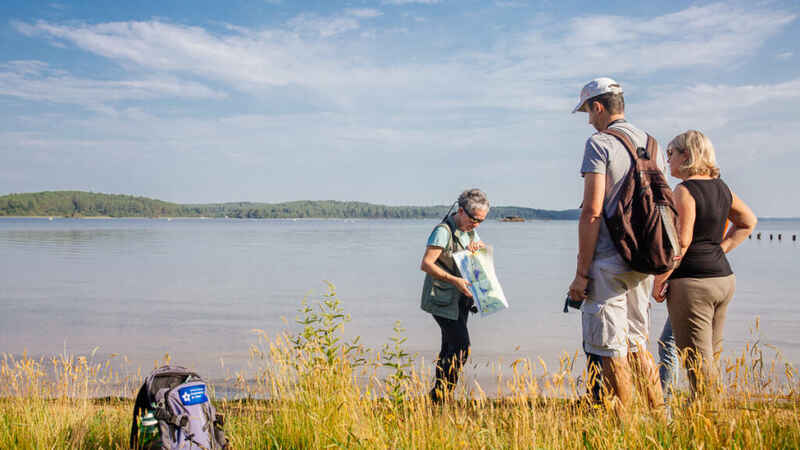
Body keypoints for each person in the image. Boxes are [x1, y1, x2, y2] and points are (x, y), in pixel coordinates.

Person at [568, 77, 664, 410]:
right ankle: (659, 417)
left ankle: (624, 428)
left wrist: (581, 274)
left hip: (609, 261)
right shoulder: (651, 143)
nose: (588, 120)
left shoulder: (599, 143)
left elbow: (592, 212)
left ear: (598, 107)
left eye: (587, 112)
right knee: (637, 345)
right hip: (643, 259)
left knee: (610, 350)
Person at [652, 130, 756, 393]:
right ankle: (704, 410)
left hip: (693, 284)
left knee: (698, 364)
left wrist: (660, 279)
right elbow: (748, 222)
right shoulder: (722, 187)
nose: (668, 159)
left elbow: (682, 241)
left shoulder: (684, 190)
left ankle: (707, 413)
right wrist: (719, 250)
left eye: (671, 153)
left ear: (687, 155)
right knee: (710, 356)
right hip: (723, 279)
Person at [420, 188, 489, 401]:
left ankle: (440, 396)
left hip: (461, 300)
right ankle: (440, 395)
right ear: (461, 211)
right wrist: (454, 280)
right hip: (441, 299)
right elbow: (426, 264)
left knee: (449, 347)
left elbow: (470, 260)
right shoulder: (443, 231)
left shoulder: (471, 231)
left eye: (481, 221)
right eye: (474, 219)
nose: (476, 225)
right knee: (462, 348)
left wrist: (478, 250)